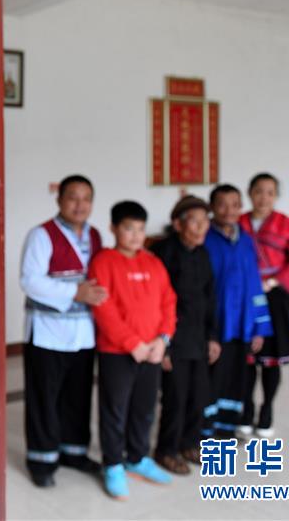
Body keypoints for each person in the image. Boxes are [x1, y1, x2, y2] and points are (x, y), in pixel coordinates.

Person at [19, 175, 107, 488]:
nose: (79, 205)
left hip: (84, 333)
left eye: (86, 198)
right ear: (59, 201)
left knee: (78, 396)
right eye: (73, 197)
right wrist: (74, 293)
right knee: (45, 398)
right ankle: (42, 460)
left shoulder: (96, 235)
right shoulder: (41, 235)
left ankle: (74, 452)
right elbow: (30, 280)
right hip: (47, 333)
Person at [89, 201, 176, 500]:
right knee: (115, 409)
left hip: (152, 351)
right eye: (128, 228)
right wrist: (132, 344)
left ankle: (138, 457)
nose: (136, 235)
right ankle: (113, 464)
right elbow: (103, 308)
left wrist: (163, 340)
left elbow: (168, 302)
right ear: (114, 229)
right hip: (117, 352)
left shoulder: (153, 262)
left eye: (140, 229)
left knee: (144, 408)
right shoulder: (103, 261)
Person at [237, 173, 289, 438]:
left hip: (275, 296)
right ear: (249, 193)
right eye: (258, 191)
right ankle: (245, 412)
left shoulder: (286, 224)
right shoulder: (239, 222)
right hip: (244, 298)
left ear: (276, 196)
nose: (263, 197)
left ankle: (266, 412)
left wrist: (277, 281)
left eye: (269, 192)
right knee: (245, 359)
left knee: (271, 360)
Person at [150, 196, 217, 475]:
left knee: (197, 395)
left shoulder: (202, 253)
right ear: (177, 224)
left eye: (205, 222)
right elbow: (153, 302)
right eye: (194, 221)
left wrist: (213, 337)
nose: (201, 228)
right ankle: (166, 450)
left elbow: (209, 297)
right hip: (173, 339)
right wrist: (163, 345)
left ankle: (190, 443)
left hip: (199, 338)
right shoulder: (163, 253)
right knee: (175, 398)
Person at [202, 184, 273, 439]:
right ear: (211, 207)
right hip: (215, 325)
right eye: (222, 204)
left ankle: (226, 428)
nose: (229, 210)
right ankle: (204, 429)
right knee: (211, 379)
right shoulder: (205, 239)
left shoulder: (245, 240)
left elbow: (254, 284)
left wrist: (259, 328)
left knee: (235, 378)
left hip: (242, 325)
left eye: (235, 204)